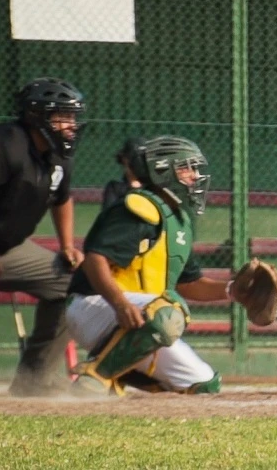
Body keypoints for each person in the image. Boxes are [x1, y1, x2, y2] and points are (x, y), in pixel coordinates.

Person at [66, 135, 228, 395]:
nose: (196, 176)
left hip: (140, 319)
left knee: (204, 385)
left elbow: (190, 283)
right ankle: (97, 374)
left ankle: (117, 375)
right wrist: (120, 304)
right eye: (187, 167)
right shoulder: (139, 207)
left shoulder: (178, 219)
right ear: (163, 171)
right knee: (169, 310)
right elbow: (96, 260)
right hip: (95, 305)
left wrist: (235, 290)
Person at [0, 77, 87, 397]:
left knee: (73, 284)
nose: (71, 125)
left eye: (73, 117)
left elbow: (62, 198)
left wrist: (67, 246)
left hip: (9, 247)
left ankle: (34, 380)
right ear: (36, 116)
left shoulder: (58, 155)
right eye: (63, 116)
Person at [101, 137, 144, 210]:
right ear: (125, 160)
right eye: (135, 159)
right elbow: (107, 216)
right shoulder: (115, 188)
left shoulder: (153, 187)